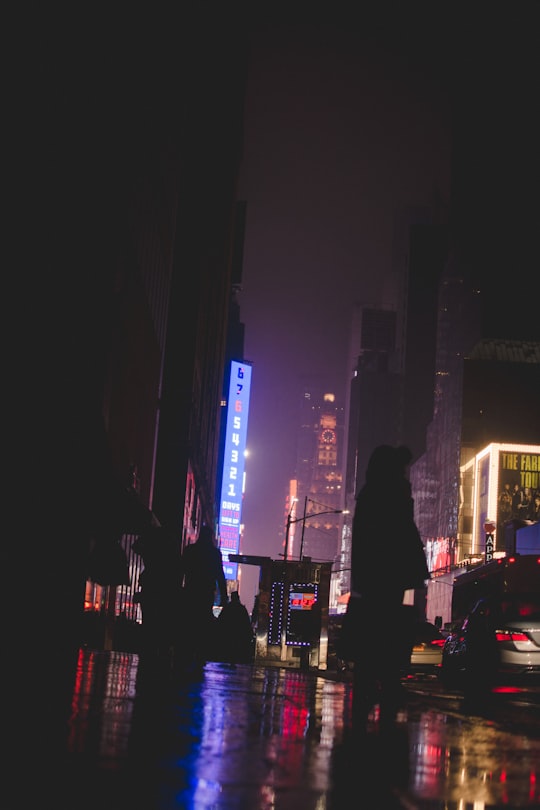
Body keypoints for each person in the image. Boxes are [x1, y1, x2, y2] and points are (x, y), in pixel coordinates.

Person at [350, 444, 430, 726]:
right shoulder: (393, 492)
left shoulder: (369, 493)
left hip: (374, 574)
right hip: (389, 572)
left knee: (375, 625)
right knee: (388, 624)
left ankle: (369, 684)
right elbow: (404, 532)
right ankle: (386, 683)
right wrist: (416, 568)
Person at [179, 524, 229, 662]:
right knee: (202, 622)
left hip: (191, 590)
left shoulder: (190, 550)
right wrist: (224, 597)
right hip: (206, 593)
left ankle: (187, 652)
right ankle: (199, 654)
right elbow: (220, 575)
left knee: (189, 622)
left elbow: (181, 570)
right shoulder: (214, 553)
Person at [215, 591, 255, 663]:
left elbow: (221, 621)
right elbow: (246, 623)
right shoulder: (241, 609)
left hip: (228, 636)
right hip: (238, 636)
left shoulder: (227, 608)